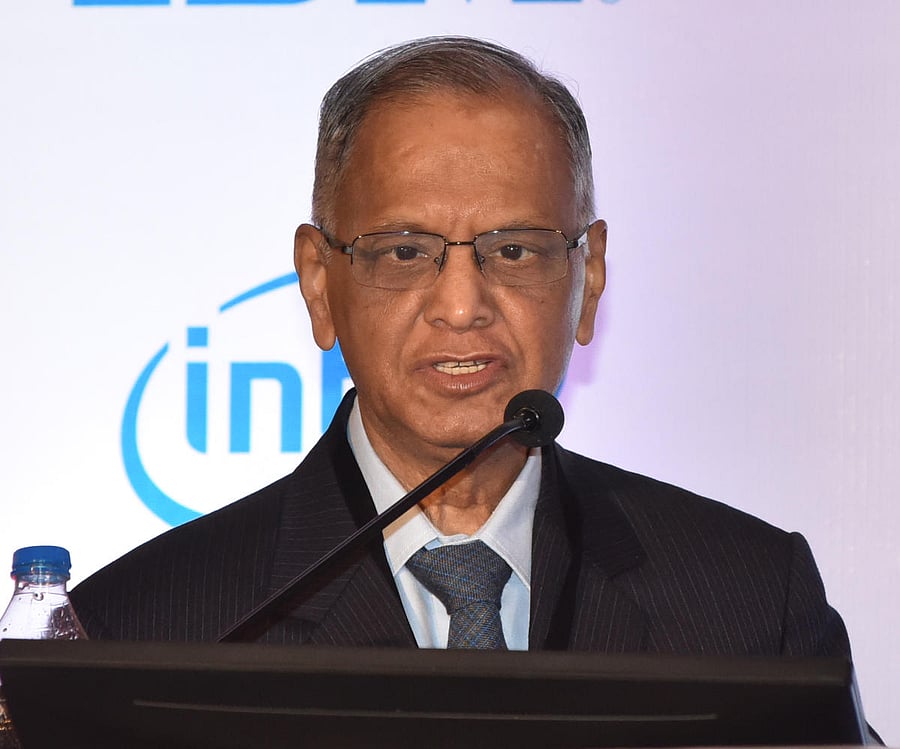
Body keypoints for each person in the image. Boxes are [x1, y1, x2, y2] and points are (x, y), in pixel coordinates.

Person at [71, 36, 850, 657]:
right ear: (319, 282)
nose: (461, 306)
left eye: (515, 250)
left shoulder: (749, 604)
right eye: (405, 251)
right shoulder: (145, 626)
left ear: (590, 275)